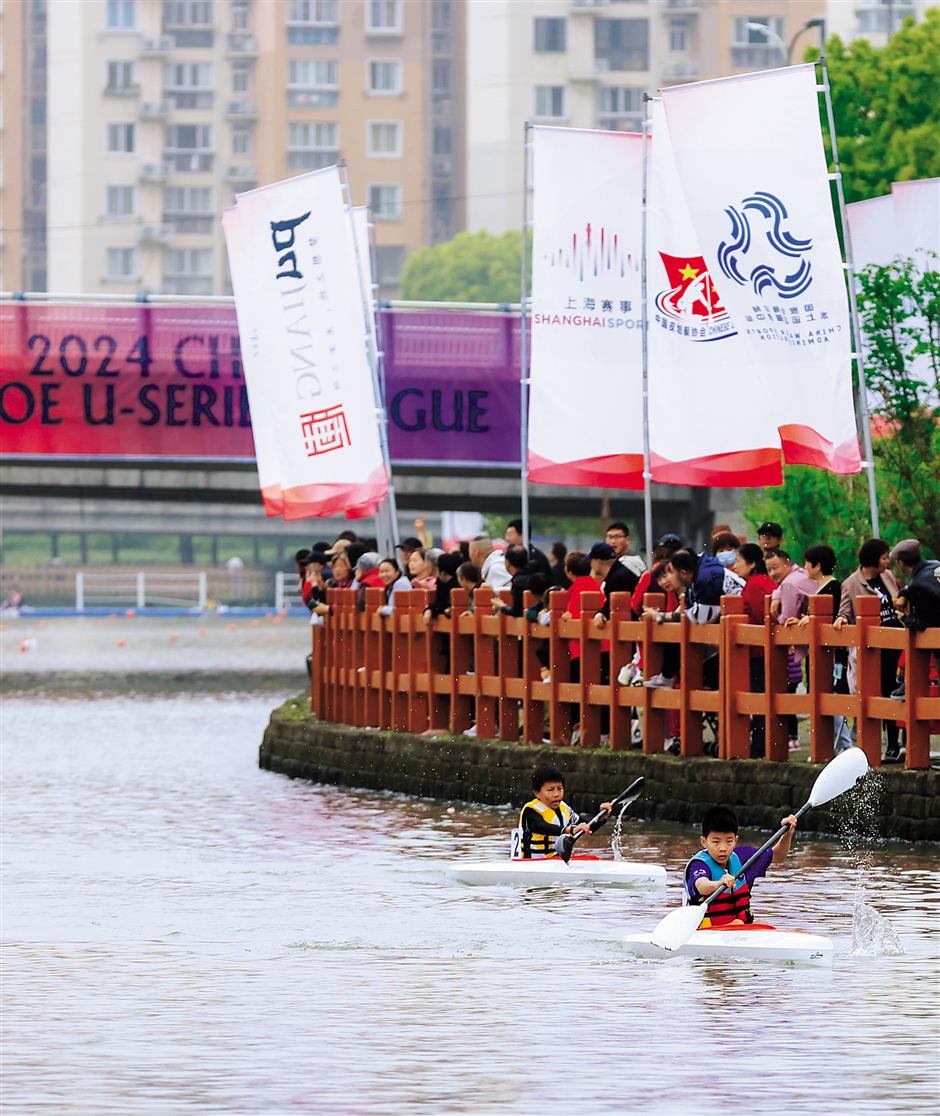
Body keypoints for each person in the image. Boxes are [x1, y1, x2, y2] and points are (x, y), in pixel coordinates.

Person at [685, 806, 797, 926]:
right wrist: (718, 883)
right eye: (716, 842)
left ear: (735, 840)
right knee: (737, 923)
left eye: (729, 841)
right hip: (708, 931)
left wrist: (787, 833)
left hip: (740, 929)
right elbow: (702, 885)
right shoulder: (699, 864)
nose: (723, 848)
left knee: (764, 924)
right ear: (704, 842)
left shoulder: (743, 857)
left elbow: (777, 856)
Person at [732, 544, 777, 758]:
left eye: (738, 560)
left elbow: (760, 619)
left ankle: (761, 747)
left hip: (759, 652)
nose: (734, 565)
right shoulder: (763, 582)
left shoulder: (755, 585)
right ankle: (764, 745)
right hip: (766, 651)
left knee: (760, 700)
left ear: (751, 563)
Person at [515, 764, 612, 860]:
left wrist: (602, 817)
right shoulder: (531, 810)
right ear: (537, 793)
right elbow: (540, 827)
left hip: (557, 862)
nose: (556, 794)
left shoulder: (565, 809)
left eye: (560, 789)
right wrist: (569, 830)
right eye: (550, 790)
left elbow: (587, 826)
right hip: (531, 863)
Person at [888, 538, 940, 702]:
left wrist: (904, 618)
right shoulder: (935, 565)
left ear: (901, 563)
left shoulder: (918, 586)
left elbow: (922, 624)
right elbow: (914, 585)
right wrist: (904, 594)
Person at [590, 541, 640, 629]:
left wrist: (601, 613)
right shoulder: (619, 572)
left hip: (632, 628)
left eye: (591, 560)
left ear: (598, 562)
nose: (590, 564)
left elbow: (614, 604)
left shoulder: (617, 578)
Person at [492, 545, 530, 617]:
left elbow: (517, 612)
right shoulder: (533, 575)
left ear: (507, 562)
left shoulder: (518, 582)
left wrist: (502, 606)